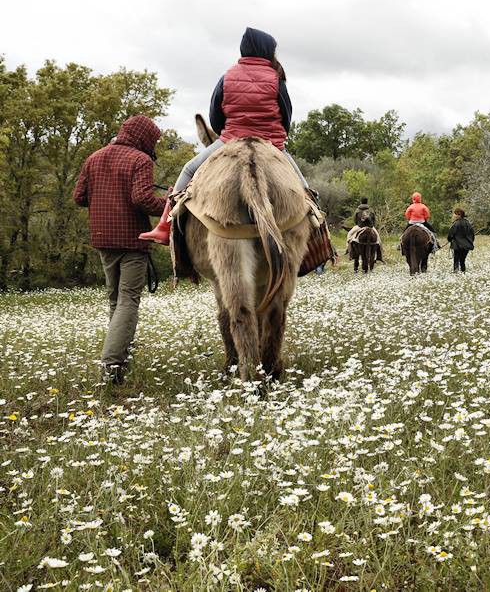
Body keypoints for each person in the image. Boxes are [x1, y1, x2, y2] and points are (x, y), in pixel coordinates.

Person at [140, 27, 308, 244]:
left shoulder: (227, 76)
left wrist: (225, 133)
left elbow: (215, 116)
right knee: (305, 190)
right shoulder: (277, 79)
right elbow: (287, 116)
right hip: (271, 143)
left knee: (189, 169)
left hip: (231, 138)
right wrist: (275, 136)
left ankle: (165, 226)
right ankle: (320, 233)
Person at [73, 115, 166, 384]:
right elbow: (143, 200)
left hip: (103, 240)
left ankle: (120, 357)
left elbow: (79, 197)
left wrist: (104, 197)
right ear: (143, 136)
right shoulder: (140, 160)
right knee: (128, 301)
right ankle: (111, 366)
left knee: (115, 300)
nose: (154, 144)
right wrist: (172, 202)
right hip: (132, 241)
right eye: (154, 139)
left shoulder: (94, 157)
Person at [346, 196, 383, 264]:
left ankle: (349, 251)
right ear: (367, 201)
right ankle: (379, 256)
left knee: (349, 235)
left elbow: (354, 219)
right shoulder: (371, 210)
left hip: (359, 227)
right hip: (370, 227)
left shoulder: (357, 210)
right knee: (378, 240)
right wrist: (372, 225)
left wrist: (358, 224)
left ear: (361, 201)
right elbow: (374, 219)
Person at [447, 208, 475, 272]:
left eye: (455, 214)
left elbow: (450, 235)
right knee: (462, 261)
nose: (454, 216)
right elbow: (472, 235)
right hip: (467, 246)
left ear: (459, 215)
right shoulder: (468, 224)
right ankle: (463, 272)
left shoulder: (456, 224)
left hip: (457, 246)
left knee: (456, 260)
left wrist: (450, 240)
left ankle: (456, 272)